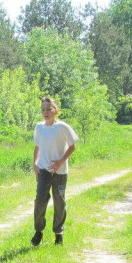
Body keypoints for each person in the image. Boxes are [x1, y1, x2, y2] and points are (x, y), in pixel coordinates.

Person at [31, 96, 79, 246]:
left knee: (59, 201)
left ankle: (58, 234)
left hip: (60, 171)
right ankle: (38, 231)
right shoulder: (39, 127)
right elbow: (37, 147)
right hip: (44, 170)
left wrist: (60, 162)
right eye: (43, 110)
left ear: (56, 111)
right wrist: (35, 163)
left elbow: (72, 147)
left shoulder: (62, 127)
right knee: (40, 201)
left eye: (49, 109)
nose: (46, 112)